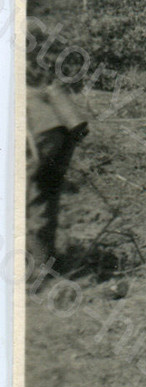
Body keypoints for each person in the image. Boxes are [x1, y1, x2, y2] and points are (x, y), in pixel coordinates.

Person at [26, 83, 88, 270]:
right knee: (46, 192)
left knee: (31, 195)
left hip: (40, 131)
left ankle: (38, 266)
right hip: (66, 128)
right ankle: (45, 261)